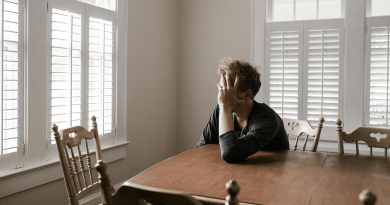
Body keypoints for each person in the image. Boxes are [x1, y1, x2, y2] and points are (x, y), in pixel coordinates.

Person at [196, 57, 289, 163]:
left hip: (272, 173)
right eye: (222, 88)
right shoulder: (221, 110)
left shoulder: (268, 119)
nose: (222, 95)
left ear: (247, 95)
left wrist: (225, 104)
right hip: (236, 170)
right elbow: (201, 147)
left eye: (228, 89)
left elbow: (230, 152)